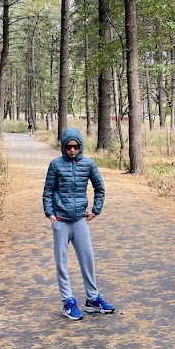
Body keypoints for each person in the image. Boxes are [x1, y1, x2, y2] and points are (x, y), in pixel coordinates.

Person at [42, 127, 115, 320]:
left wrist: (95, 210)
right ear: (64, 147)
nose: (72, 150)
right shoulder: (55, 165)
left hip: (80, 220)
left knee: (87, 259)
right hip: (61, 221)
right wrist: (50, 214)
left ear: (80, 146)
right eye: (69, 146)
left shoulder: (88, 164)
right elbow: (48, 191)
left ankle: (92, 299)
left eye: (75, 146)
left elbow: (100, 188)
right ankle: (68, 301)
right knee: (62, 263)